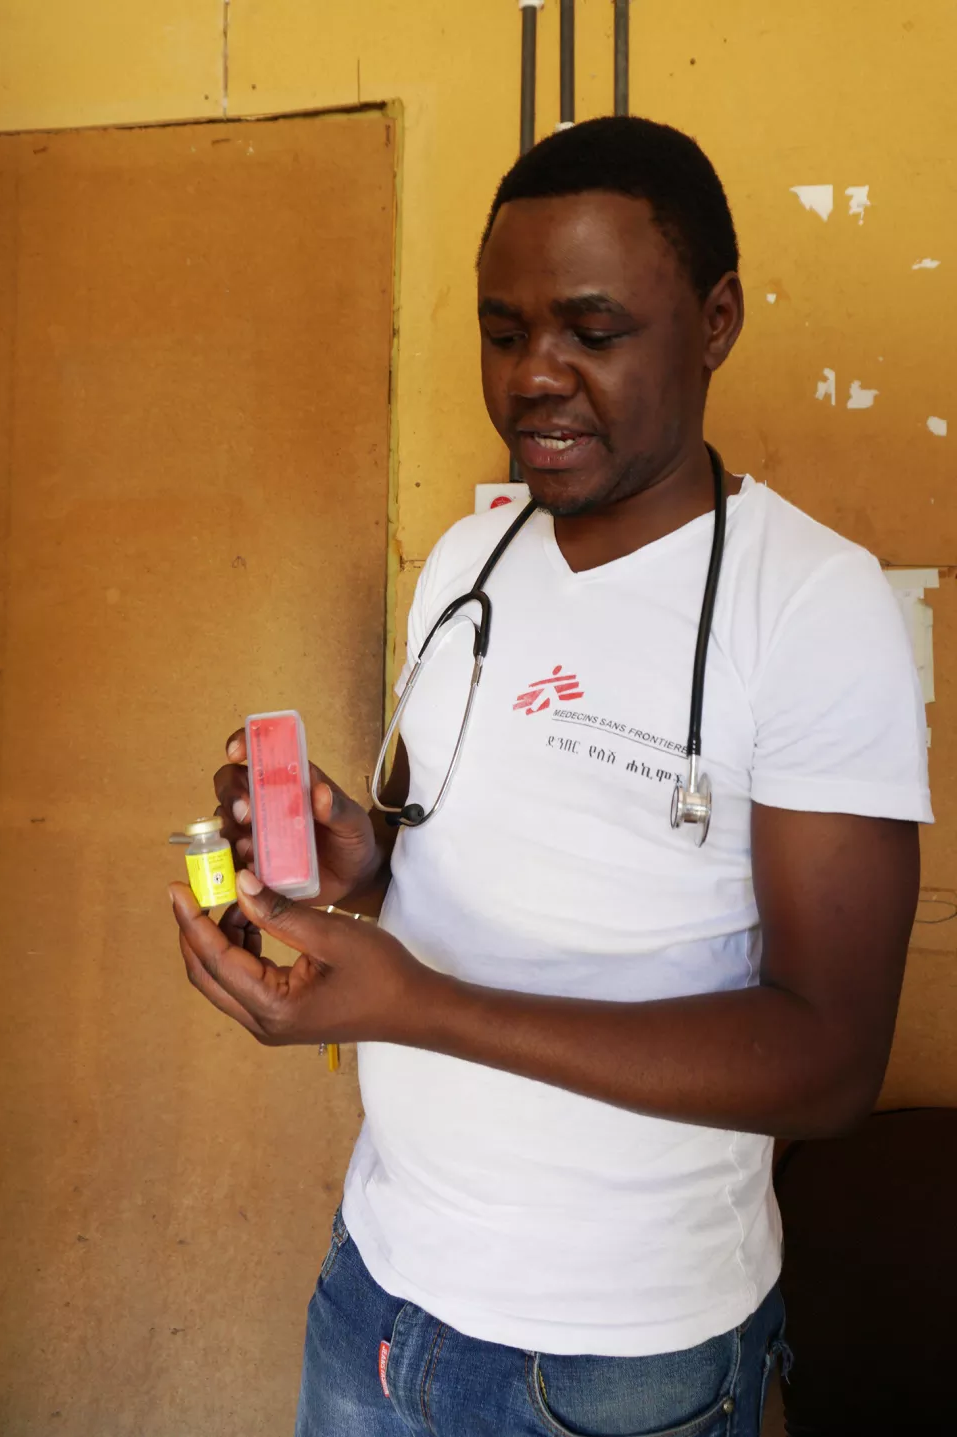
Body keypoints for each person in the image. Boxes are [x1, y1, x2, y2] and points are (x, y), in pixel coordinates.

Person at [170, 117, 931, 1437]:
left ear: (715, 321)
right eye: (504, 330)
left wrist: (420, 1009)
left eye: (594, 329)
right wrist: (355, 858)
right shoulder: (467, 561)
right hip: (381, 1295)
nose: (536, 377)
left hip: (617, 1364)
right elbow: (447, 844)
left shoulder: (811, 604)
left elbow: (828, 1060)